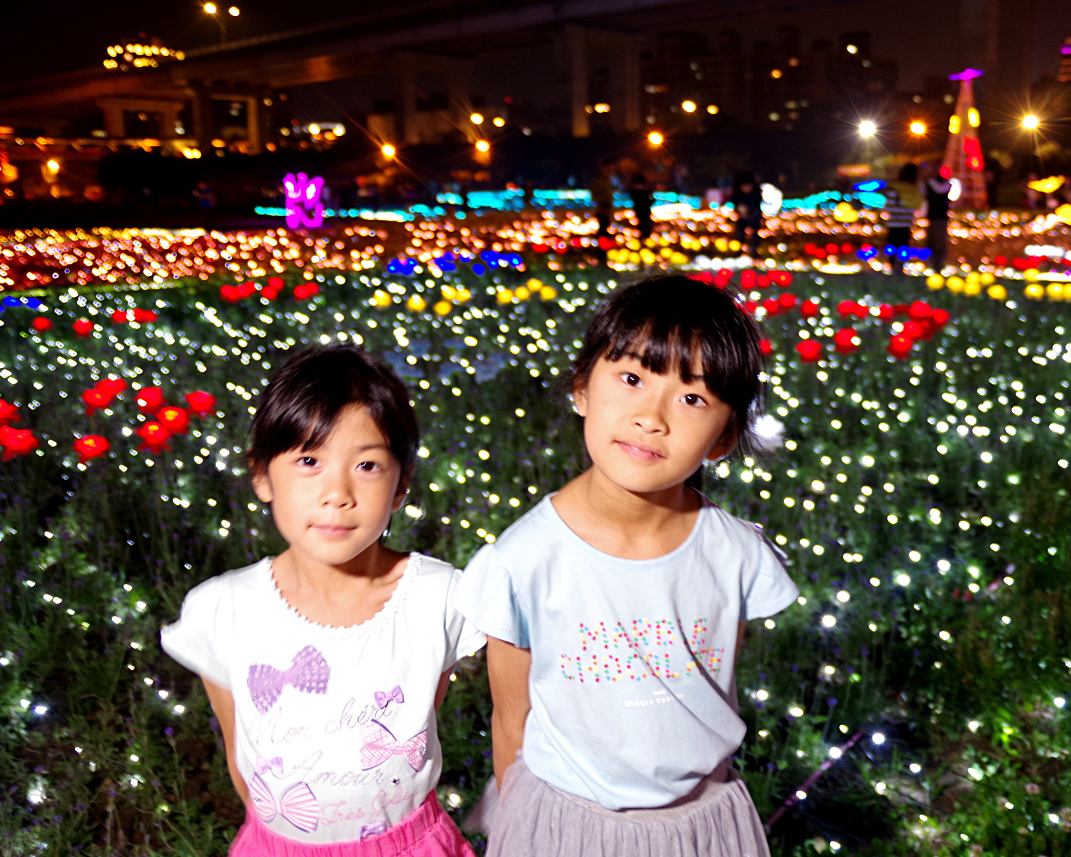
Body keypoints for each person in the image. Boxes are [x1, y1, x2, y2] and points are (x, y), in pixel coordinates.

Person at [453, 277, 799, 857]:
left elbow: (713, 684)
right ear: (583, 388)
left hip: (701, 825)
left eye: (692, 398)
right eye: (632, 379)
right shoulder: (523, 560)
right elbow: (511, 722)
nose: (651, 417)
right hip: (566, 824)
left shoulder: (736, 554)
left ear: (725, 436)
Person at [161, 345, 485, 857]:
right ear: (263, 476)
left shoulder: (440, 597)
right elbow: (239, 751)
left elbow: (418, 717)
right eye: (309, 460)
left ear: (401, 487)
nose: (337, 492)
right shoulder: (221, 610)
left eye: (368, 465)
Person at [924, 167, 952, 272]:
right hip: (940, 217)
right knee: (939, 242)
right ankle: (937, 265)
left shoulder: (930, 185)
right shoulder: (947, 186)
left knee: (935, 242)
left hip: (935, 217)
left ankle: (935, 265)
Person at [730, 171, 763, 256]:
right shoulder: (737, 195)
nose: (746, 188)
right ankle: (738, 252)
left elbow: (757, 204)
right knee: (740, 234)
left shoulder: (756, 194)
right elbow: (735, 202)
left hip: (754, 216)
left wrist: (749, 211)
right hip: (742, 218)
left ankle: (754, 252)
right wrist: (740, 211)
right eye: (744, 186)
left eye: (748, 186)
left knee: (755, 235)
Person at [629, 173, 654, 241]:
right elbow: (647, 203)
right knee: (645, 233)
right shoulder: (642, 194)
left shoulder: (634, 193)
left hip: (640, 216)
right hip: (644, 217)